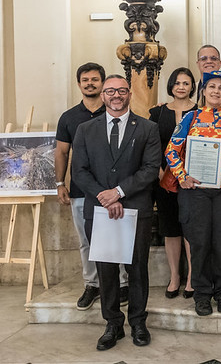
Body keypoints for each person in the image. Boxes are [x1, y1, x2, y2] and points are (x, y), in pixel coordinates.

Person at [72, 75, 161, 350]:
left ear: (129, 94)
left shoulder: (148, 128)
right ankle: (112, 324)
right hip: (99, 210)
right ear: (103, 95)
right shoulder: (85, 129)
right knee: (106, 270)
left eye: (121, 91)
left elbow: (150, 169)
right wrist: (106, 197)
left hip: (136, 210)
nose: (116, 95)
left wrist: (119, 193)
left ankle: (137, 322)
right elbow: (79, 171)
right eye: (110, 91)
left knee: (137, 270)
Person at [166, 71, 221, 317]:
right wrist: (183, 177)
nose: (216, 91)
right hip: (196, 191)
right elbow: (171, 151)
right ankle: (201, 294)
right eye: (212, 86)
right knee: (200, 244)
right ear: (203, 90)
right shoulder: (190, 118)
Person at [55, 63, 129, 311]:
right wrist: (59, 183)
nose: (90, 83)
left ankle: (121, 283)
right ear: (79, 84)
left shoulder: (115, 111)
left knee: (117, 238)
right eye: (85, 80)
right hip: (82, 190)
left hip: (115, 192)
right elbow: (62, 152)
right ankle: (92, 284)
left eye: (95, 80)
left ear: (103, 83)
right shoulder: (69, 118)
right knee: (87, 240)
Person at [148, 68, 197, 300]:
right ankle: (175, 276)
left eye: (186, 83)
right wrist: (159, 172)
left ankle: (191, 278)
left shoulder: (200, 112)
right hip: (163, 179)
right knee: (170, 228)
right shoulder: (157, 113)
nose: (181, 87)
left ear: (192, 87)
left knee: (190, 227)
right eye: (177, 83)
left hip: (192, 180)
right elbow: (151, 145)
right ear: (171, 85)